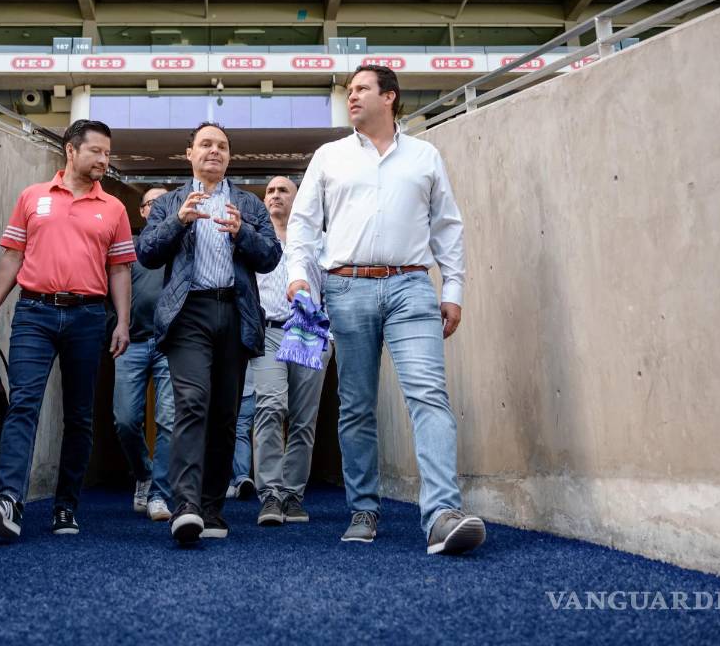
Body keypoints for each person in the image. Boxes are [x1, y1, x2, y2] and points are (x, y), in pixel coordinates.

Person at [285, 65, 486, 553]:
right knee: (356, 404)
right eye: (349, 91)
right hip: (345, 288)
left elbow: (447, 226)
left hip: (411, 287)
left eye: (361, 89)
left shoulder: (424, 156)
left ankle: (442, 515)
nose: (351, 97)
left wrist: (453, 289)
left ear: (389, 97)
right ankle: (363, 509)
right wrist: (298, 276)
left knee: (429, 396)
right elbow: (304, 224)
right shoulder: (329, 157)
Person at [0, 119, 134, 540]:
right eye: (96, 151)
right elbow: (12, 256)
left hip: (89, 317)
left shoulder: (114, 208)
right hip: (34, 313)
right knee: (23, 405)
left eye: (107, 153)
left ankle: (66, 506)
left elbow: (119, 269)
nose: (104, 160)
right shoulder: (33, 197)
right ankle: (9, 501)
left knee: (79, 415)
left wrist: (122, 322)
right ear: (71, 150)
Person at [137, 122, 282, 544]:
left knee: (224, 414)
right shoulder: (170, 202)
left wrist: (243, 233)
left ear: (229, 156)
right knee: (192, 403)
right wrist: (178, 222)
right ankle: (185, 506)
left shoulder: (248, 204)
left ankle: (212, 506)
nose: (214, 151)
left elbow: (271, 257)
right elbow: (147, 253)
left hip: (235, 312)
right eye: (205, 144)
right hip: (188, 314)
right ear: (190, 154)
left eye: (221, 146)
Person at [250, 176, 332, 527]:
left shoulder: (319, 241)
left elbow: (334, 287)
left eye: (283, 190)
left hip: (309, 332)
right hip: (269, 332)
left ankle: (293, 495)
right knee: (270, 406)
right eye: (270, 191)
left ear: (297, 200)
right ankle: (270, 494)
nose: (275, 195)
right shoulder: (254, 241)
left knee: (303, 418)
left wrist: (331, 333)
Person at [112, 187, 176, 522]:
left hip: (171, 345)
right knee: (125, 420)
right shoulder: (129, 247)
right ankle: (145, 473)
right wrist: (114, 326)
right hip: (132, 343)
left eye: (166, 202)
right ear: (142, 211)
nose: (160, 207)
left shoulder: (182, 245)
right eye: (153, 202)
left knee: (169, 421)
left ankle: (159, 493)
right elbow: (109, 288)